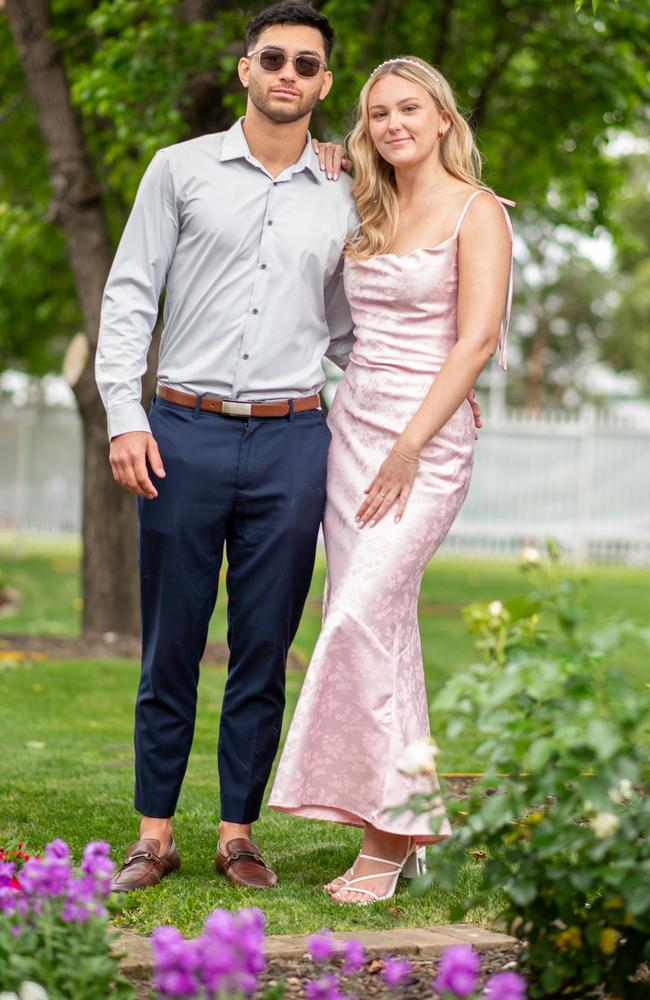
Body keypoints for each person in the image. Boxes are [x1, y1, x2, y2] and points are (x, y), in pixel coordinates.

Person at [95, 1, 360, 893]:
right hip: (182, 432)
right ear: (246, 68)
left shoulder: (348, 190)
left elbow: (350, 331)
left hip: (293, 441)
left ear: (325, 85)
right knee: (171, 638)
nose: (289, 74)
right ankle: (155, 831)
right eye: (274, 58)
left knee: (264, 644)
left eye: (307, 64)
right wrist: (124, 416)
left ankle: (239, 833)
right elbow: (131, 295)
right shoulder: (178, 172)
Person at [269, 55, 513, 905]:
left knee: (358, 616)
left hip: (428, 440)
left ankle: (384, 840)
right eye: (377, 115)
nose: (394, 125)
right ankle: (404, 830)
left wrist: (412, 444)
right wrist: (331, 154)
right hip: (354, 431)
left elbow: (475, 343)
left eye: (409, 109)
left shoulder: (479, 213)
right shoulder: (365, 202)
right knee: (382, 628)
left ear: (444, 116)